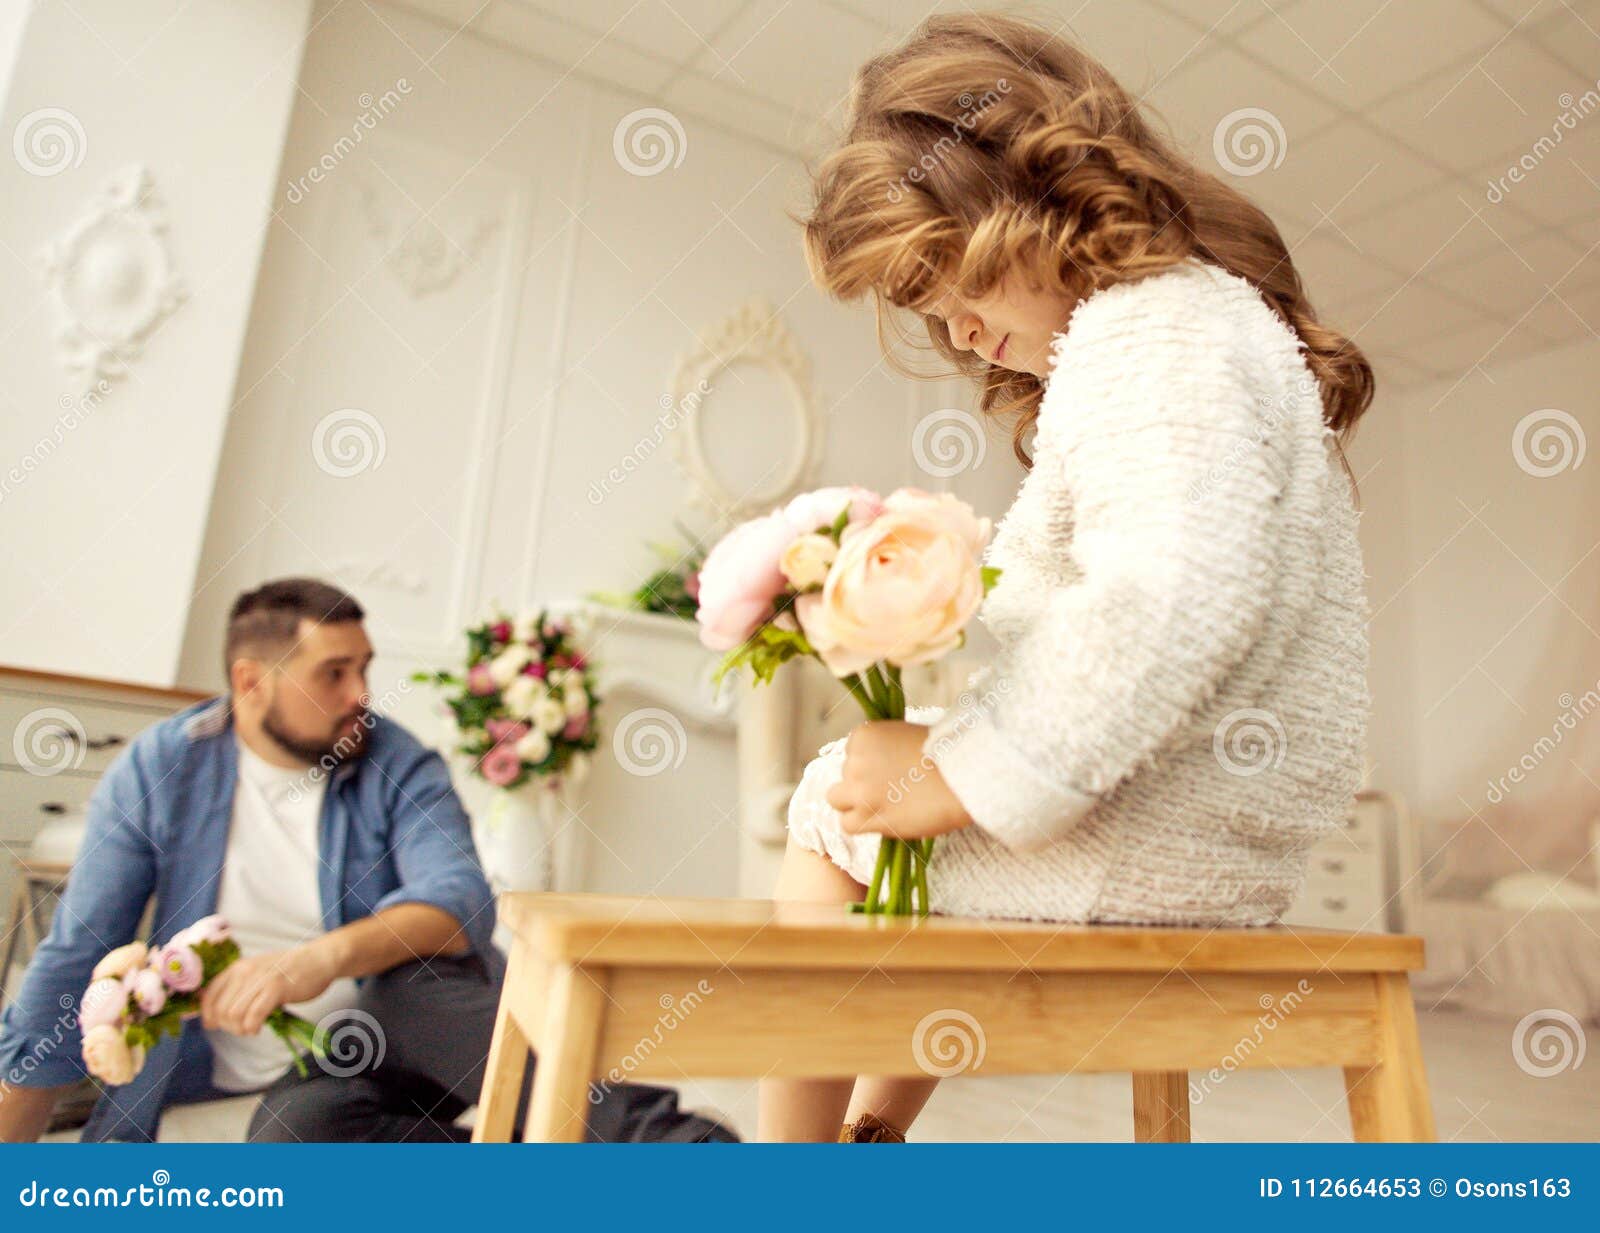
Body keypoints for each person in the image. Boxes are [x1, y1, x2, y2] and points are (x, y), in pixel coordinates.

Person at [761, 14, 1374, 1141]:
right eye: (931, 311)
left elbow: (1171, 599)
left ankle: (788, 1174)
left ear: (1040, 202)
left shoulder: (1154, 331)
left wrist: (966, 773)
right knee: (887, 792)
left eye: (951, 283)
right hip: (1223, 831)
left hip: (1163, 841)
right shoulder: (1195, 329)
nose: (960, 330)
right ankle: (868, 1137)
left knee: (827, 805)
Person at [0, 577, 734, 1144]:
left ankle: (693, 1157)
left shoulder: (395, 759)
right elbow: (78, 951)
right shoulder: (164, 766)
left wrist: (313, 961)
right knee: (295, 1140)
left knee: (417, 983)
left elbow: (461, 900)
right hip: (282, 1072)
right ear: (251, 680)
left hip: (391, 1038)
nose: (361, 694)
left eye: (364, 669)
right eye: (333, 673)